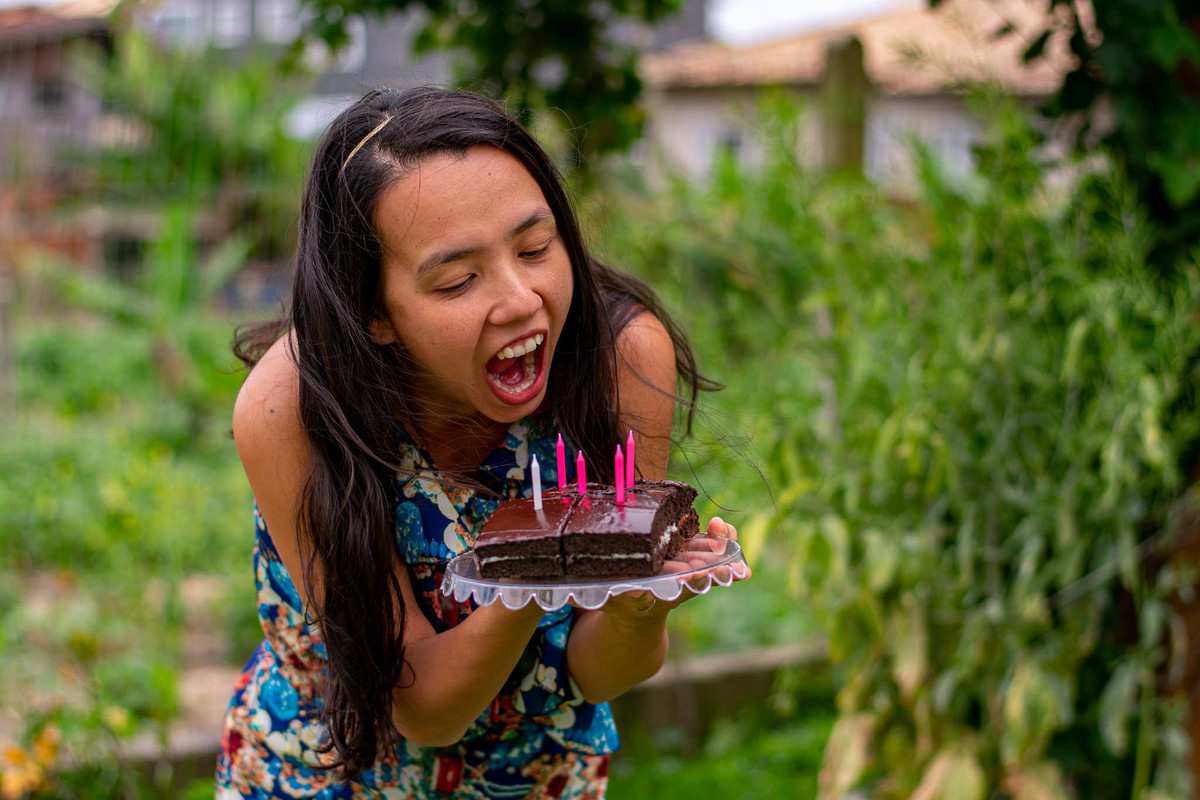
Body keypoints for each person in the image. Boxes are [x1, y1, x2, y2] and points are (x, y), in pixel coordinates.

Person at [216, 86, 749, 799]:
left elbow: (599, 673)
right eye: (459, 280)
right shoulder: (292, 407)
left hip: (533, 779)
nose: (521, 299)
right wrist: (536, 567)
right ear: (373, 310)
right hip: (324, 773)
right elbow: (425, 711)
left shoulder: (617, 358)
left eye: (535, 248)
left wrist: (637, 604)